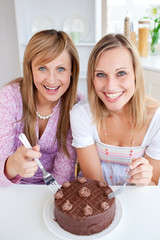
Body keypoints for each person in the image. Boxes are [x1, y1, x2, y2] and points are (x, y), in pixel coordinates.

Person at [70, 33, 160, 186]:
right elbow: (95, 185)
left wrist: (145, 179)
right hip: (97, 195)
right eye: (101, 74)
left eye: (121, 73)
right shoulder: (81, 114)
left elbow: (152, 184)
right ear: (92, 78)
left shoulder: (157, 120)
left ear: (136, 75)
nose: (110, 86)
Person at [0, 29, 84, 185]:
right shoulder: (8, 98)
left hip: (50, 189)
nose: (51, 80)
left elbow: (63, 172)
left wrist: (53, 200)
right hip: (8, 187)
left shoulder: (76, 104)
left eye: (61, 69)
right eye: (42, 68)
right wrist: (11, 166)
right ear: (30, 69)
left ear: (72, 71)